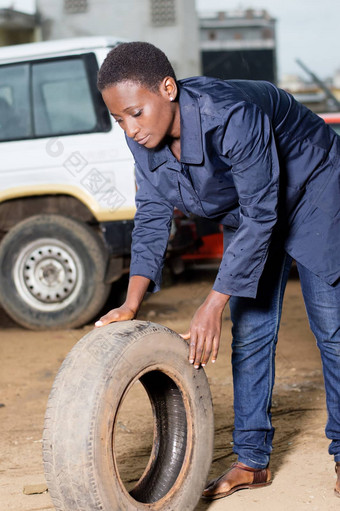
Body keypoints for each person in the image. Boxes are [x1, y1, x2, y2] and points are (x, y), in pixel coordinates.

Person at [95, 41, 340, 499]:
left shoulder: (231, 114)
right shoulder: (143, 140)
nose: (130, 129)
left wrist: (213, 303)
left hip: (313, 190)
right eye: (119, 120)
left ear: (167, 88)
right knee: (251, 329)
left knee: (331, 327)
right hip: (251, 209)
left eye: (135, 113)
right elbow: (151, 215)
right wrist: (130, 302)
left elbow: (263, 213)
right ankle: (251, 461)